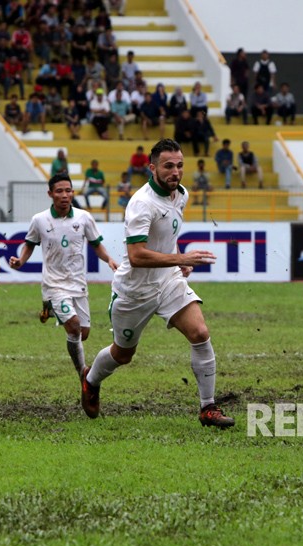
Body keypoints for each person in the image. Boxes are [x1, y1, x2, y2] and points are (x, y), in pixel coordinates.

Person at [79, 139, 235, 429]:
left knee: (200, 332)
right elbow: (136, 256)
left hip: (168, 281)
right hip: (134, 292)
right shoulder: (140, 204)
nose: (175, 172)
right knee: (123, 354)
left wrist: (178, 262)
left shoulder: (181, 194)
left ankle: (208, 408)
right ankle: (90, 380)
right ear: (152, 168)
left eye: (179, 165)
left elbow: (165, 238)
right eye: (168, 166)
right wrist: (179, 257)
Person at [9, 174, 117, 376]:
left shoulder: (83, 217)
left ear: (73, 192)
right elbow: (29, 245)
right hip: (54, 285)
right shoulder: (39, 220)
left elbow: (96, 245)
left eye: (68, 190)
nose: (65, 195)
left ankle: (49, 309)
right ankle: (83, 374)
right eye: (59, 191)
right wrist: (20, 261)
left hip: (78, 283)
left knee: (83, 334)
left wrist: (109, 259)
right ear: (50, 194)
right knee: (74, 327)